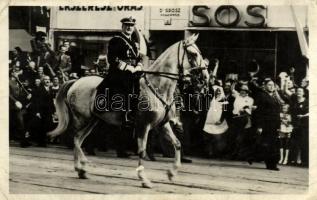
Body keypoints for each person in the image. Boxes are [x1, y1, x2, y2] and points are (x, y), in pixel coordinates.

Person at [95, 16, 144, 158]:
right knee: (120, 101)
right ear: (122, 26)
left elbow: (138, 58)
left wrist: (139, 66)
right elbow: (112, 59)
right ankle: (112, 111)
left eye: (131, 25)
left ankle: (131, 118)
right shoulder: (116, 40)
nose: (129, 27)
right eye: (126, 25)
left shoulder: (134, 43)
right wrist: (128, 67)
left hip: (133, 75)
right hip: (119, 75)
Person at [254, 78, 282, 171]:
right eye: (269, 85)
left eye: (272, 85)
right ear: (265, 86)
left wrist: (278, 125)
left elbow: (278, 111)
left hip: (274, 124)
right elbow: (259, 112)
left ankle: (273, 163)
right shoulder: (262, 95)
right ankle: (270, 164)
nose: (271, 86)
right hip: (266, 124)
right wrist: (260, 126)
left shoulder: (275, 96)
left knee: (274, 144)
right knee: (268, 144)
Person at [290, 87, 309, 166]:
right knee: (295, 143)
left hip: (304, 124)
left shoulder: (307, 101)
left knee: (303, 143)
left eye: (300, 91)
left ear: (304, 93)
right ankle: (294, 160)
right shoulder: (294, 101)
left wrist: (303, 116)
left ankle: (303, 161)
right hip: (295, 124)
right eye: (297, 91)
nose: (299, 92)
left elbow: (311, 112)